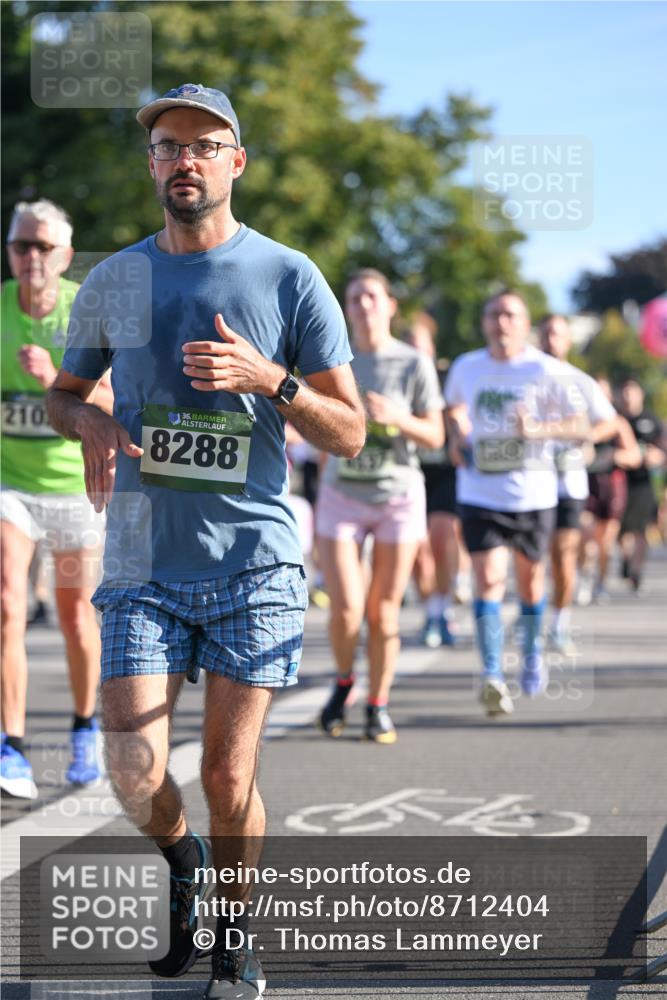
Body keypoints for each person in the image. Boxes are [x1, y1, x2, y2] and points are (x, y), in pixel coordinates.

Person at [46, 84, 365, 1000]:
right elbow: (65, 395)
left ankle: (234, 928)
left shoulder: (288, 275)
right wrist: (88, 420)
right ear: (152, 165)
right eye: (168, 146)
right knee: (131, 765)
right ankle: (186, 865)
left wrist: (273, 380)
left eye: (203, 145)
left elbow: (351, 433)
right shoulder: (115, 279)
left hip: (252, 562)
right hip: (143, 556)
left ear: (236, 162)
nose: (183, 159)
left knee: (228, 776)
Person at [1, 199, 110, 800]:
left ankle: (84, 727)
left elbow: (119, 403)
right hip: (9, 486)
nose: (33, 257)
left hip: (73, 487)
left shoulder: (84, 313)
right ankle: (11, 746)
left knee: (74, 616)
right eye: (22, 245)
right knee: (7, 602)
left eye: (45, 247)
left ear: (66, 256)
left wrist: (55, 382)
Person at [445, 289, 588, 717]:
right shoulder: (466, 366)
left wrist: (538, 429)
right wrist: (456, 433)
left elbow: (581, 424)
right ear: (484, 322)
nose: (501, 322)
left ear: (525, 324)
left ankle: (530, 653)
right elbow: (453, 409)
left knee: (530, 583)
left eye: (510, 314)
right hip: (479, 492)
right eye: (494, 314)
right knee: (488, 578)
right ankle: (491, 673)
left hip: (533, 494)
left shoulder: (546, 369)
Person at [316, 270, 444, 743]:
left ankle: (378, 703)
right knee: (347, 609)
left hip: (397, 496)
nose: (364, 304)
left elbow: (436, 436)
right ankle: (344, 680)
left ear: (390, 305)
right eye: (355, 298)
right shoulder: (332, 358)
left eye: (372, 296)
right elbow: (319, 426)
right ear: (346, 308)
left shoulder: (413, 363)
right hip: (341, 495)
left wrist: (399, 419)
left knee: (383, 613)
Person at [537, 315, 617, 652]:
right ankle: (532, 616)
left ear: (568, 340)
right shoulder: (521, 375)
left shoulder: (581, 382)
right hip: (529, 484)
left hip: (568, 484)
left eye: (557, 334)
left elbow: (610, 423)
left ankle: (559, 623)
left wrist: (588, 436)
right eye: (546, 333)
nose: (551, 340)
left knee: (563, 555)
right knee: (532, 559)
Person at [403, 312, 470, 648]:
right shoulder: (398, 377)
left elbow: (461, 411)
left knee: (442, 539)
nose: (415, 352)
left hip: (445, 470)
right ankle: (431, 610)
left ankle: (444, 607)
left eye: (420, 346)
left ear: (431, 348)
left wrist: (459, 433)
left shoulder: (445, 378)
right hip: (410, 469)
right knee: (418, 550)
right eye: (409, 346)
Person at [577, 376, 641, 605]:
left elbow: (634, 456)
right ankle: (584, 576)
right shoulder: (580, 421)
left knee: (605, 541)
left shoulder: (618, 423)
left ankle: (600, 582)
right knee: (585, 535)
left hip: (612, 487)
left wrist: (612, 456)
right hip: (585, 485)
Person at [617, 377, 665, 592]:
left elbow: (662, 450)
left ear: (640, 394)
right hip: (618, 481)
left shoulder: (651, 420)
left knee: (640, 529)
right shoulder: (616, 419)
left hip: (642, 483)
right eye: (625, 391)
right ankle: (626, 559)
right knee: (621, 530)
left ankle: (636, 571)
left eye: (632, 391)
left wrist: (656, 456)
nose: (628, 395)